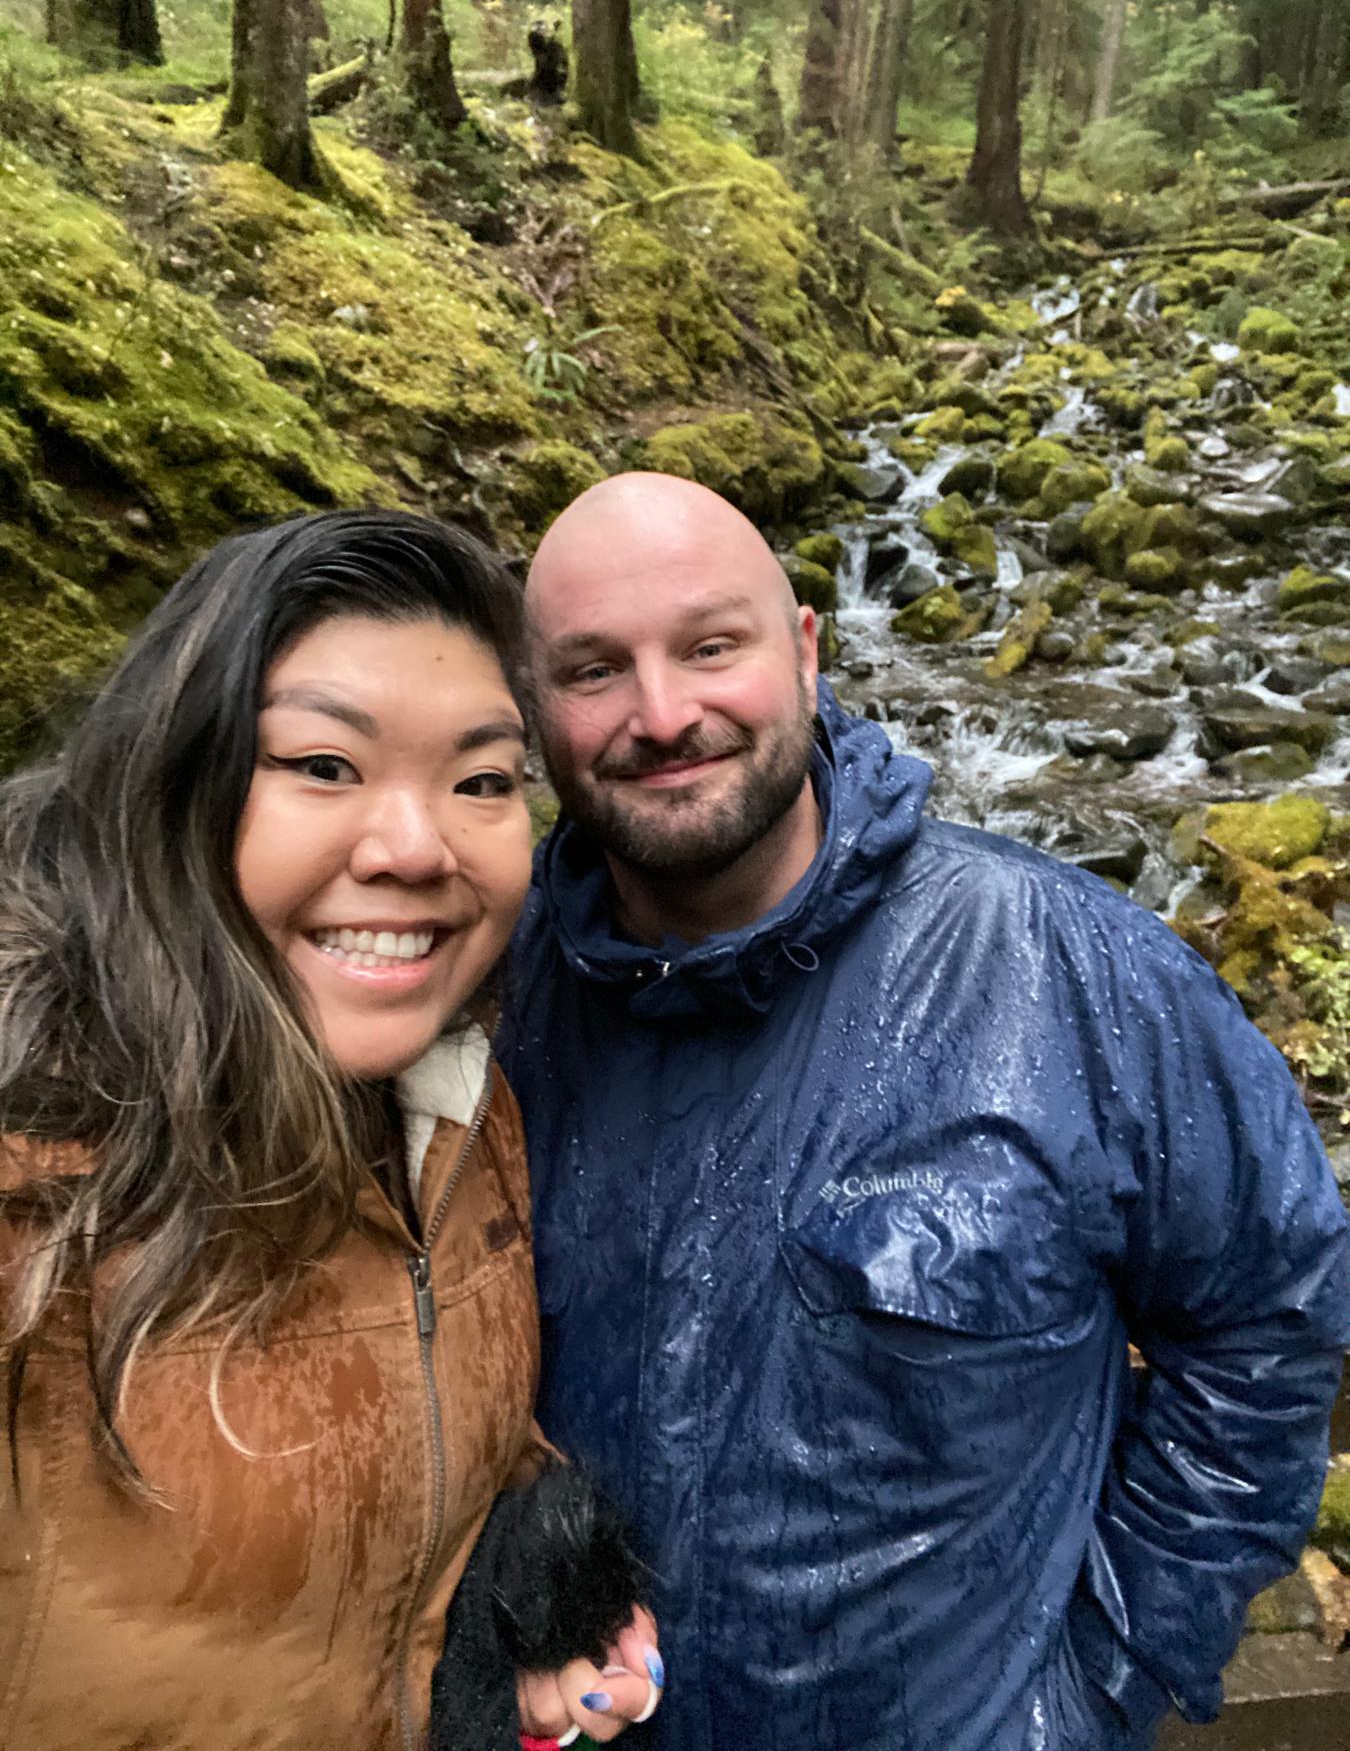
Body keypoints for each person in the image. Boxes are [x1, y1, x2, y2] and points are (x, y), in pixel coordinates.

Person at [502, 471, 1350, 1751]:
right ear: (532, 707)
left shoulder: (1074, 972)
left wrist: (1098, 1682)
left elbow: (1268, 1318)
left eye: (712, 647)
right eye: (594, 671)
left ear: (805, 649)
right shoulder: (484, 995)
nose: (662, 714)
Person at [0, 510, 660, 1751]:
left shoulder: (462, 1106)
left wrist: (500, 1629)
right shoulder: (32, 1173)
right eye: (322, 765)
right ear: (175, 783)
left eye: (482, 781)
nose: (416, 848)